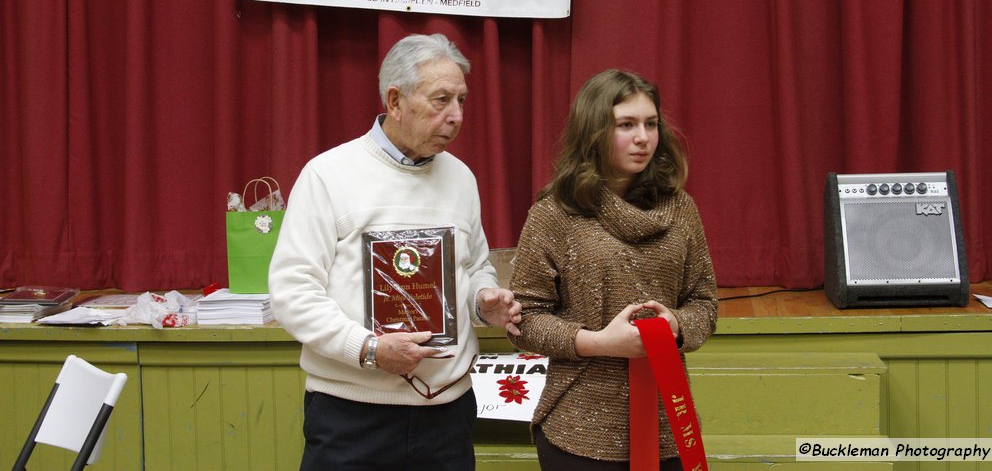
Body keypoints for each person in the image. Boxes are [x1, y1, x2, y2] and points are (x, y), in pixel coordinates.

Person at [269, 33, 522, 471]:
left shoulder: (461, 177)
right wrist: (368, 349)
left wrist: (484, 301)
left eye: (462, 100)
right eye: (441, 100)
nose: (456, 116)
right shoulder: (328, 175)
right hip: (352, 415)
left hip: (448, 412)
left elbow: (476, 266)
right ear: (395, 100)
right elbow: (293, 294)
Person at [507, 69, 718, 471]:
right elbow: (525, 321)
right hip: (578, 431)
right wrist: (600, 342)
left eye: (651, 124)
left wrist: (675, 324)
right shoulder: (554, 215)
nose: (643, 137)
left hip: (669, 423)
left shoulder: (682, 209)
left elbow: (705, 303)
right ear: (594, 132)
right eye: (626, 125)